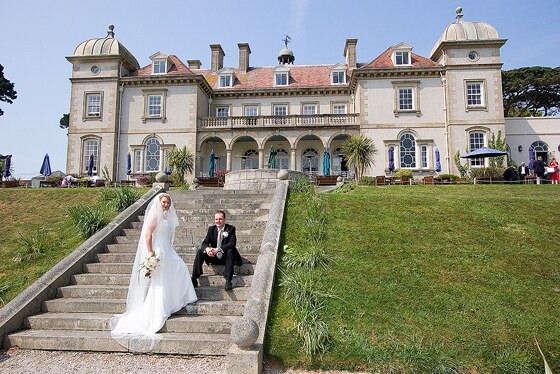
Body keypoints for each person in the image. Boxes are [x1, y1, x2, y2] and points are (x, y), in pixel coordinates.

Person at [110, 193, 197, 352]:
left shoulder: (165, 216)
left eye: (168, 202)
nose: (166, 204)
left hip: (168, 250)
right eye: (164, 202)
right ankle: (160, 309)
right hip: (158, 250)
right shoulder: (155, 214)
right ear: (159, 202)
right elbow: (148, 234)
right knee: (161, 281)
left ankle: (174, 301)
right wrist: (150, 253)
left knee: (180, 269)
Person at [191, 210, 242, 291]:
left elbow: (232, 244)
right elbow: (205, 242)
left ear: (224, 219)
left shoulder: (231, 229)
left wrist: (218, 249)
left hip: (226, 257)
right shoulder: (211, 229)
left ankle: (228, 280)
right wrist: (208, 249)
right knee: (200, 251)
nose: (218, 221)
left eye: (220, 219)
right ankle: (194, 278)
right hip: (214, 257)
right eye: (216, 219)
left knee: (230, 251)